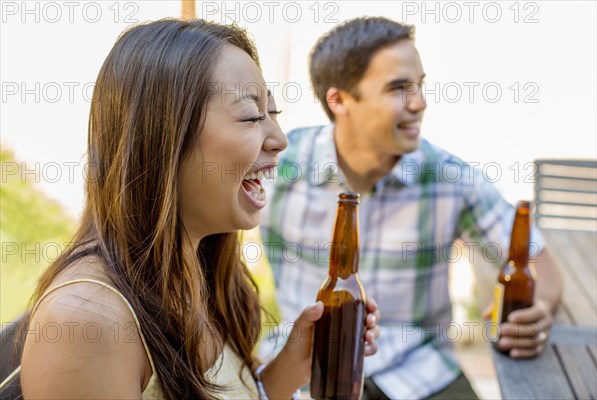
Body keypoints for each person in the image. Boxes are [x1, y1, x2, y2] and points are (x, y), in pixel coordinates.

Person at [1, 19, 381, 399]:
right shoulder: (87, 322)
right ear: (165, 137)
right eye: (251, 116)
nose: (279, 140)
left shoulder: (204, 275)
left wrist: (292, 364)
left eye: (273, 114)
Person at [260, 17, 562, 400]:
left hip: (420, 372)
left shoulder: (449, 178)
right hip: (304, 367)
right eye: (398, 88)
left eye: (419, 85)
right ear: (339, 100)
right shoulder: (279, 166)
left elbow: (535, 259)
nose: (420, 102)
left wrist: (542, 309)